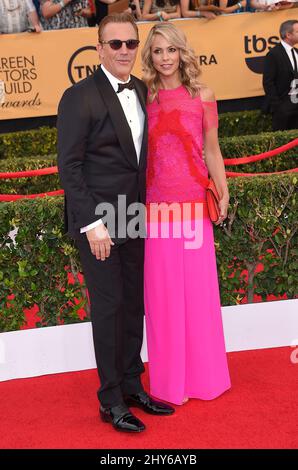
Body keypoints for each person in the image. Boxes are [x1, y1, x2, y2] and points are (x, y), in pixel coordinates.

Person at [57, 12, 174, 434]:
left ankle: (131, 385)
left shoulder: (141, 89)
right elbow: (69, 167)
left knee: (132, 306)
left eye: (130, 43)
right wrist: (92, 224)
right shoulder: (79, 96)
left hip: (135, 215)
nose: (124, 50)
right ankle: (109, 400)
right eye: (116, 44)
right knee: (108, 309)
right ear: (100, 47)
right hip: (101, 224)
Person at [141, 22, 231, 405]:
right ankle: (169, 382)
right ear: (151, 55)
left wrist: (222, 190)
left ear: (182, 52)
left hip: (194, 204)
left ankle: (205, 378)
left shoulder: (203, 94)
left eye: (171, 50)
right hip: (156, 208)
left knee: (198, 295)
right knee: (163, 298)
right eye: (158, 51)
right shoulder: (142, 95)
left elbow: (212, 149)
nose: (165, 58)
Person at [263, 19, 298, 131]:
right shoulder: (273, 54)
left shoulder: (297, 52)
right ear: (288, 34)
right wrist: (279, 107)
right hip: (283, 109)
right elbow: (268, 83)